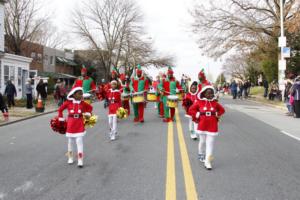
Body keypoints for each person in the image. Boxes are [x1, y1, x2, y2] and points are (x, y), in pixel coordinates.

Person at [189, 85, 225, 170]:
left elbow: (222, 110)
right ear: (204, 94)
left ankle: (208, 161)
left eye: (212, 93)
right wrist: (197, 114)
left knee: (210, 143)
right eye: (208, 93)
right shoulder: (199, 102)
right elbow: (191, 109)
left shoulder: (215, 103)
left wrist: (217, 114)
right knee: (202, 141)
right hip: (202, 125)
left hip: (212, 126)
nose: (210, 95)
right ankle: (201, 153)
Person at [58, 87, 93, 168]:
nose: (81, 95)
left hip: (79, 123)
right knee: (70, 142)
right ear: (74, 94)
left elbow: (90, 108)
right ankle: (70, 157)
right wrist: (61, 119)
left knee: (79, 142)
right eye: (79, 93)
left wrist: (88, 114)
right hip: (70, 124)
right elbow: (60, 110)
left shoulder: (83, 103)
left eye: (82, 94)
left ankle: (80, 160)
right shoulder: (68, 102)